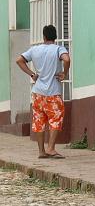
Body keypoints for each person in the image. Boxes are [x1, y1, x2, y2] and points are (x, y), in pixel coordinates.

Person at [15, 25, 71, 159]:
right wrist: (65, 73)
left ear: (44, 37)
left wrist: (32, 74)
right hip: (53, 92)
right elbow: (67, 59)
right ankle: (51, 148)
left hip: (37, 93)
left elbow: (19, 60)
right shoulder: (58, 49)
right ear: (55, 37)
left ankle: (41, 151)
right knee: (55, 119)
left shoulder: (35, 50)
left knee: (39, 121)